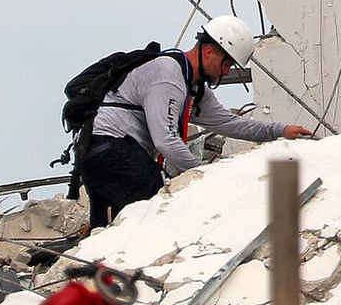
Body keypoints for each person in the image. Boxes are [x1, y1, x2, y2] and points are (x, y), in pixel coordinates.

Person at [78, 16, 311, 228]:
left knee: (109, 232)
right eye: (227, 64)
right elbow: (166, 140)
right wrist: (204, 174)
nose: (226, 72)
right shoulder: (168, 76)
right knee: (157, 214)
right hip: (112, 151)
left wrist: (280, 130)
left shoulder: (192, 85)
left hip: (100, 153)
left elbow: (227, 123)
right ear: (209, 52)